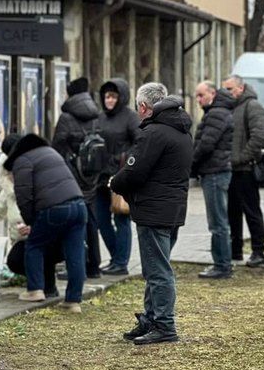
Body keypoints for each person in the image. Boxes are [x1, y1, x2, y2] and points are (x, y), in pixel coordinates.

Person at [110, 83, 192, 345]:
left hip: (154, 209)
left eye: (137, 107)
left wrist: (114, 183)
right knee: (155, 266)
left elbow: (134, 171)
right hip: (172, 207)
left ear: (144, 107)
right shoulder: (181, 130)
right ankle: (151, 318)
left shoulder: (154, 133)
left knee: (157, 271)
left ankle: (164, 325)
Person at [7, 131, 87, 311]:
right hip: (79, 205)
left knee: (33, 245)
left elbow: (24, 196)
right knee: (75, 253)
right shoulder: (50, 152)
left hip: (54, 208)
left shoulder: (22, 161)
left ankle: (35, 290)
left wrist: (31, 222)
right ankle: (73, 301)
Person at [0, 135, 60, 297]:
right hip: (24, 241)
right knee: (14, 260)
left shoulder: (38, 185)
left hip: (48, 237)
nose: (13, 175)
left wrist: (33, 226)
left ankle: (44, 285)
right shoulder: (9, 193)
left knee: (40, 247)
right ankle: (39, 282)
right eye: (9, 172)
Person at [52, 77, 103, 278]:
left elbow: (57, 146)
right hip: (91, 173)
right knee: (91, 219)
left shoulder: (66, 117)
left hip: (72, 174)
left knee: (75, 222)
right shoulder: (95, 114)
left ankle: (77, 266)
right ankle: (94, 266)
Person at [95, 78, 139, 275]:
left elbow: (140, 143)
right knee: (101, 219)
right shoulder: (100, 118)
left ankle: (121, 262)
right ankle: (115, 256)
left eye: (113, 96)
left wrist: (122, 158)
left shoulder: (131, 117)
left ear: (121, 97)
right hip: (100, 176)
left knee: (121, 218)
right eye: (106, 96)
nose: (109, 100)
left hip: (120, 175)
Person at [192, 82, 235, 279]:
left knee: (218, 222)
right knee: (218, 221)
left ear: (212, 93)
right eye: (197, 96)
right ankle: (221, 263)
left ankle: (222, 264)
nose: (198, 100)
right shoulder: (217, 112)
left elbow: (206, 145)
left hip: (215, 172)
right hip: (215, 171)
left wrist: (190, 165)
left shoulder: (217, 113)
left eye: (201, 95)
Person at [224, 74, 264, 267]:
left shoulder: (252, 106)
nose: (227, 93)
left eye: (230, 89)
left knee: (252, 211)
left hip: (246, 169)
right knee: (232, 212)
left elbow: (259, 138)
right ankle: (236, 250)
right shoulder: (230, 107)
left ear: (240, 88)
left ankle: (258, 252)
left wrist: (241, 158)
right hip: (231, 169)